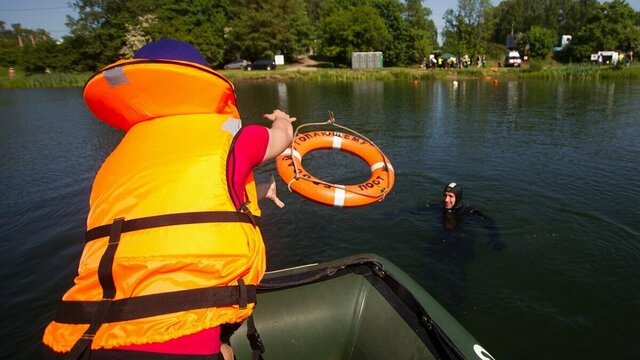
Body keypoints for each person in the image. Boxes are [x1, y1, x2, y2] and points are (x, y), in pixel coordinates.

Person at [42, 38, 295, 360]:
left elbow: (173, 207)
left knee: (220, 345)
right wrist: (281, 118)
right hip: (173, 335)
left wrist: (255, 192)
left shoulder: (120, 156)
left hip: (73, 336)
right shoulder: (232, 135)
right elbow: (283, 140)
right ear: (203, 81)